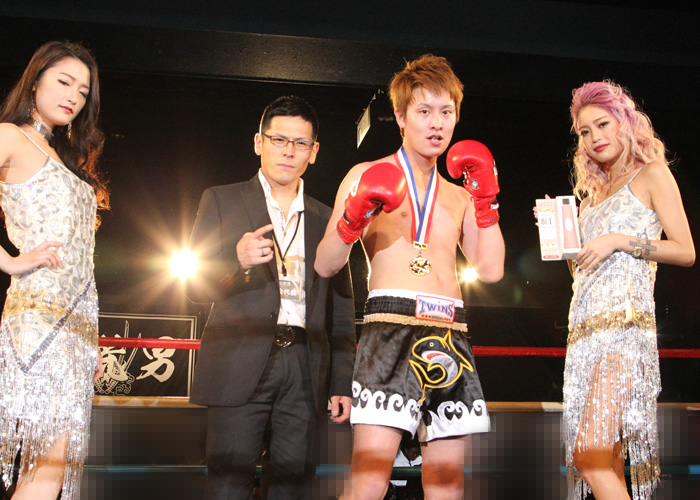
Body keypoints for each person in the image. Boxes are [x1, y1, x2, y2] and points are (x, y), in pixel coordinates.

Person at [315, 54, 505, 500]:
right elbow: (325, 264)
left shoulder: (460, 195)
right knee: (368, 480)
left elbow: (491, 270)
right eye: (424, 111)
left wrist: (487, 201)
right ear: (401, 116)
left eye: (446, 111)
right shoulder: (364, 175)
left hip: (449, 332)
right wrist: (351, 219)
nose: (437, 123)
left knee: (447, 483)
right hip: (389, 328)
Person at [186, 95, 356, 499]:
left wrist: (341, 381)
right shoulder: (221, 199)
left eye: (300, 143)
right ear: (258, 142)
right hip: (238, 357)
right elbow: (194, 288)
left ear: (314, 151)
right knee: (227, 485)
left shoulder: (328, 217)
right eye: (279, 140)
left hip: (306, 365)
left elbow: (342, 307)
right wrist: (236, 259)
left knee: (294, 486)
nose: (288, 151)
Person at [562, 81, 695, 500]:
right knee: (606, 462)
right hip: (583, 337)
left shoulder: (652, 173)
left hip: (624, 331)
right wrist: (561, 235)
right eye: (585, 131)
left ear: (624, 122)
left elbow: (686, 250)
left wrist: (620, 241)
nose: (595, 137)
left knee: (589, 455)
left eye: (603, 124)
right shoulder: (590, 198)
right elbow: (581, 272)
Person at [0, 41, 108, 500]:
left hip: (77, 329)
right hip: (38, 318)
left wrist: (92, 336)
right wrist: (10, 260)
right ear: (35, 81)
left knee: (54, 465)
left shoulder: (67, 156)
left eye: (83, 91)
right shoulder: (10, 135)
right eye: (64, 82)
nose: (73, 97)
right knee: (46, 462)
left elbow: (82, 256)